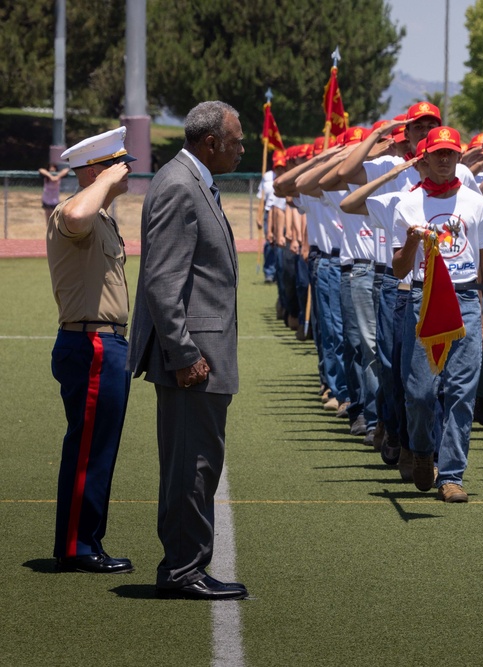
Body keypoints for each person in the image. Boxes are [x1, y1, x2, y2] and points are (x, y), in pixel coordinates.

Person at [128, 101, 248, 599]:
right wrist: (182, 354)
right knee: (190, 468)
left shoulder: (190, 178)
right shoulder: (181, 184)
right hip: (191, 361)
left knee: (199, 465)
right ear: (210, 143)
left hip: (201, 354)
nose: (244, 147)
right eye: (237, 139)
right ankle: (182, 571)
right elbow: (162, 282)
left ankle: (188, 565)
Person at [393, 126, 483, 502]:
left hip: (466, 302)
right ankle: (423, 451)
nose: (444, 159)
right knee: (420, 392)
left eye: (450, 153)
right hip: (423, 303)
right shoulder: (407, 204)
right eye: (437, 153)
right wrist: (410, 241)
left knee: (460, 392)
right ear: (422, 159)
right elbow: (397, 269)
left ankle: (452, 474)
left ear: (459, 157)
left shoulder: (477, 204)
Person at [46, 127, 135, 574]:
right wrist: (99, 181)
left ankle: (84, 541)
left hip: (107, 341)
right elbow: (78, 215)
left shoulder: (103, 217)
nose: (127, 174)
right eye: (121, 166)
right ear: (98, 170)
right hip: (92, 342)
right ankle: (78, 546)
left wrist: (101, 185)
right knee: (88, 450)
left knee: (97, 448)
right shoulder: (76, 209)